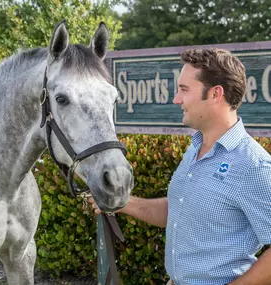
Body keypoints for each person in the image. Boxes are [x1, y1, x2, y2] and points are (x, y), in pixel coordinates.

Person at [89, 48, 271, 285]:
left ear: (216, 94)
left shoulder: (253, 165)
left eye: (184, 90)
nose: (176, 99)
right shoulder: (195, 148)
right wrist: (121, 202)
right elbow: (178, 211)